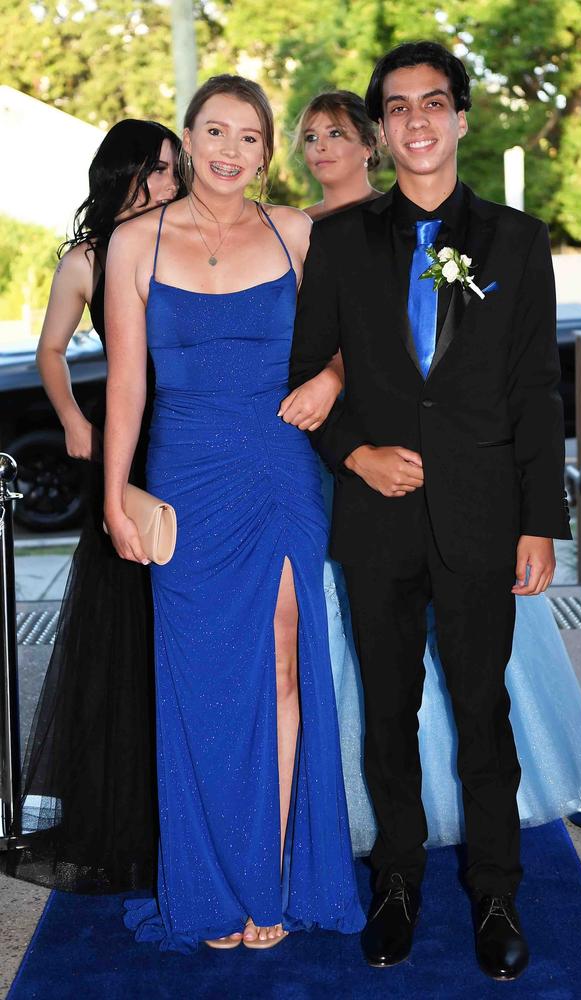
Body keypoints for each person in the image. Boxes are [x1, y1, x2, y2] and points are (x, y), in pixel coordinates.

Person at [289, 42, 573, 980]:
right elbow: (308, 374)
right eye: (398, 107)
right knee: (388, 715)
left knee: (484, 714)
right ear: (381, 129)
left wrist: (542, 522)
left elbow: (536, 389)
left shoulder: (519, 241)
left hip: (486, 516)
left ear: (458, 119)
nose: (416, 121)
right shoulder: (338, 241)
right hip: (375, 518)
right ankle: (398, 884)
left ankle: (497, 893)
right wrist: (354, 455)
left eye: (433, 103)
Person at [103, 74, 364, 954]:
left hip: (283, 470)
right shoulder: (135, 243)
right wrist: (112, 497)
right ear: (186, 140)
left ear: (265, 152)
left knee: (288, 669)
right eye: (214, 132)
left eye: (249, 137)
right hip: (187, 481)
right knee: (204, 686)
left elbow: (349, 343)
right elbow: (128, 387)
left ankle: (276, 882)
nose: (230, 151)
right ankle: (216, 881)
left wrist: (328, 379)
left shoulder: (295, 232)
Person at [7, 120, 181, 894]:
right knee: (122, 633)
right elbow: (51, 350)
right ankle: (125, 822)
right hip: (123, 445)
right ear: (122, 174)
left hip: (193, 441)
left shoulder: (189, 237)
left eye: (174, 168)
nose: (169, 182)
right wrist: (75, 421)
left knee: (187, 626)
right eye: (156, 169)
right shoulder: (86, 258)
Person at [294, 90, 382, 219]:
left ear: (368, 146)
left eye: (335, 133)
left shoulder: (401, 216)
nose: (319, 146)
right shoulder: (296, 228)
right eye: (311, 137)